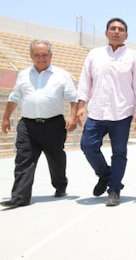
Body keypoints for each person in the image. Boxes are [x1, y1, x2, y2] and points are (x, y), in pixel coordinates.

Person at [76, 18, 136, 207]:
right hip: (97, 111)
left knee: (119, 152)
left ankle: (114, 188)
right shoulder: (94, 54)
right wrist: (81, 104)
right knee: (87, 146)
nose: (116, 31)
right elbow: (85, 80)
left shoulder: (133, 56)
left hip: (122, 112)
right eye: (113, 28)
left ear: (126, 35)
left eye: (121, 29)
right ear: (106, 32)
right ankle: (105, 174)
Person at [1, 40, 78, 209]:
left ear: (51, 55)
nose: (41, 58)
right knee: (23, 160)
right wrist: (6, 118)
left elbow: (73, 98)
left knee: (56, 158)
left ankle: (60, 185)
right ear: (31, 56)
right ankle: (20, 196)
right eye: (37, 55)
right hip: (28, 126)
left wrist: (73, 118)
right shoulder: (23, 75)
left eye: (44, 54)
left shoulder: (61, 74)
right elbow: (14, 98)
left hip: (53, 125)